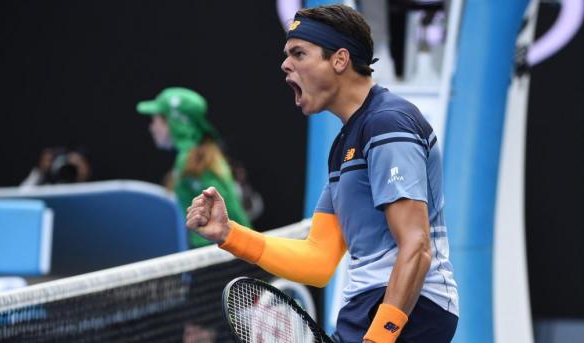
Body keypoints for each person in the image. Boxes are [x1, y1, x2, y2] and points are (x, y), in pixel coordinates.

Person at [185, 4, 458, 343]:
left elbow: (416, 246)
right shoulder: (344, 144)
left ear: (340, 60)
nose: (285, 65)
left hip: (411, 310)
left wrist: (380, 337)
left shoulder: (388, 124)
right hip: (365, 307)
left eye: (299, 53)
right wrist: (229, 235)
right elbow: (318, 260)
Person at [136, 87, 251, 248]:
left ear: (175, 122)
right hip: (222, 253)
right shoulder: (196, 156)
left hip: (219, 257)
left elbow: (226, 221)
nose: (152, 127)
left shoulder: (193, 161)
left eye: (156, 120)